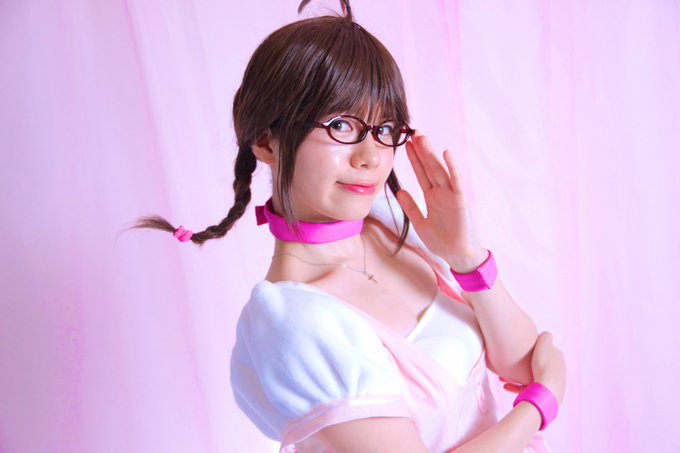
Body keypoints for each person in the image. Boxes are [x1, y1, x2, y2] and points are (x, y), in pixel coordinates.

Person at [131, 1, 566, 451]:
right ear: (265, 140)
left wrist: (467, 258)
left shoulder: (389, 222)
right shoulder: (293, 323)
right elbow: (540, 379)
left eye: (385, 129)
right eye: (341, 124)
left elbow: (521, 364)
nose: (370, 156)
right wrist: (539, 406)